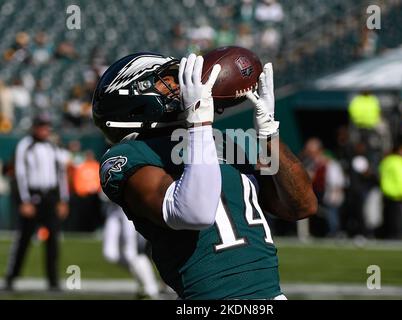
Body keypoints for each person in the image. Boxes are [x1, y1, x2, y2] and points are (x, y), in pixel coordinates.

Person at [93, 52, 317, 299]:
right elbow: (194, 212)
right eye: (167, 80)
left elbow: (302, 206)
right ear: (133, 97)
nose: (181, 85)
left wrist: (269, 134)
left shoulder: (221, 141)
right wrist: (199, 125)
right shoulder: (128, 156)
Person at [4, 115, 69, 291]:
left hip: (51, 199)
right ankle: (11, 278)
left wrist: (63, 199)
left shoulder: (53, 146)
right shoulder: (25, 145)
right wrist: (24, 201)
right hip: (32, 198)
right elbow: (19, 175)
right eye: (41, 126)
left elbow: (61, 174)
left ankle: (53, 282)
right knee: (23, 240)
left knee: (53, 241)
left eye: (46, 126)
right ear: (34, 127)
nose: (44, 129)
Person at [102, 196, 160, 299]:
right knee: (109, 253)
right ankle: (143, 280)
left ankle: (151, 289)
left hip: (128, 207)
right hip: (114, 209)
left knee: (131, 253)